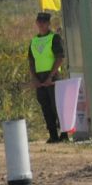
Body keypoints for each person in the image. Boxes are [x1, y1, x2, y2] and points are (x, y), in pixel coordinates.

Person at [28, 11, 68, 142]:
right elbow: (32, 61)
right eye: (39, 22)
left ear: (49, 24)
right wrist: (34, 78)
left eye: (44, 22)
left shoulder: (54, 38)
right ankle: (53, 135)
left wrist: (51, 76)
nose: (41, 24)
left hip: (53, 76)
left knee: (57, 106)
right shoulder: (33, 41)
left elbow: (60, 57)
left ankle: (64, 134)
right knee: (45, 107)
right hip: (40, 78)